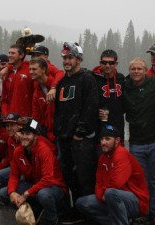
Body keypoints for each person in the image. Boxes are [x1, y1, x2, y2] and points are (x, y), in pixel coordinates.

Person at [54, 42, 99, 223]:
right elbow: (59, 110)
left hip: (81, 140)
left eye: (70, 57)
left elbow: (91, 106)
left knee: (85, 179)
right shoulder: (62, 82)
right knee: (70, 179)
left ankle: (88, 213)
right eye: (64, 57)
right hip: (64, 139)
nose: (66, 60)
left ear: (78, 59)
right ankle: (76, 210)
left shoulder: (87, 78)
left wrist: (80, 132)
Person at [0, 118, 67, 225]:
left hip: (53, 186)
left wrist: (27, 193)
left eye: (28, 134)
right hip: (34, 185)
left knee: (43, 194)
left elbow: (47, 179)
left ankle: (52, 220)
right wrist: (12, 192)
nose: (24, 137)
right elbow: (14, 175)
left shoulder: (44, 150)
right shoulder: (18, 151)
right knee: (3, 193)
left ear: (35, 136)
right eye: (22, 133)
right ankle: (35, 211)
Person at [75, 124, 149, 225]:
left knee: (111, 193)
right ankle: (118, 221)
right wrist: (102, 196)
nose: (103, 142)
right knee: (81, 203)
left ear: (117, 141)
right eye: (101, 139)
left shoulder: (121, 154)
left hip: (136, 201)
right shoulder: (102, 157)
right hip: (111, 198)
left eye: (107, 139)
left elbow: (117, 184)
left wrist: (105, 194)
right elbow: (98, 183)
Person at [123, 57, 155, 225]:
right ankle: (143, 212)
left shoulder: (154, 83)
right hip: (135, 142)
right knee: (141, 181)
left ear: (146, 70)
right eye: (133, 69)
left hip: (154, 140)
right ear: (129, 71)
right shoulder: (125, 86)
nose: (136, 72)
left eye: (140, 69)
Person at [92, 49, 126, 140]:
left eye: (111, 63)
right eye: (104, 62)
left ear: (116, 64)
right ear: (100, 63)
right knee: (101, 152)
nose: (107, 66)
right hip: (99, 126)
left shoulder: (121, 79)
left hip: (118, 125)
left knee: (119, 152)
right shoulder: (93, 79)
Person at [0, 44, 33, 116]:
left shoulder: (30, 70)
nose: (9, 55)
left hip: (26, 118)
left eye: (13, 53)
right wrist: (6, 114)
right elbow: (4, 98)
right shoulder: (6, 73)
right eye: (9, 53)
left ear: (21, 55)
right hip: (11, 120)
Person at [29, 58, 55, 141]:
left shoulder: (55, 85)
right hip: (46, 134)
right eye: (30, 69)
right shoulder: (36, 92)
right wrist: (32, 130)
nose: (31, 72)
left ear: (43, 69)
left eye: (34, 69)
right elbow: (35, 116)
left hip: (60, 133)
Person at [0, 112, 22, 187]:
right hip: (17, 168)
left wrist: (22, 134)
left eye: (12, 125)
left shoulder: (27, 137)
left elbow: (36, 125)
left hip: (29, 170)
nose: (9, 129)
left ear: (19, 126)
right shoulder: (10, 139)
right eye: (7, 126)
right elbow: (10, 159)